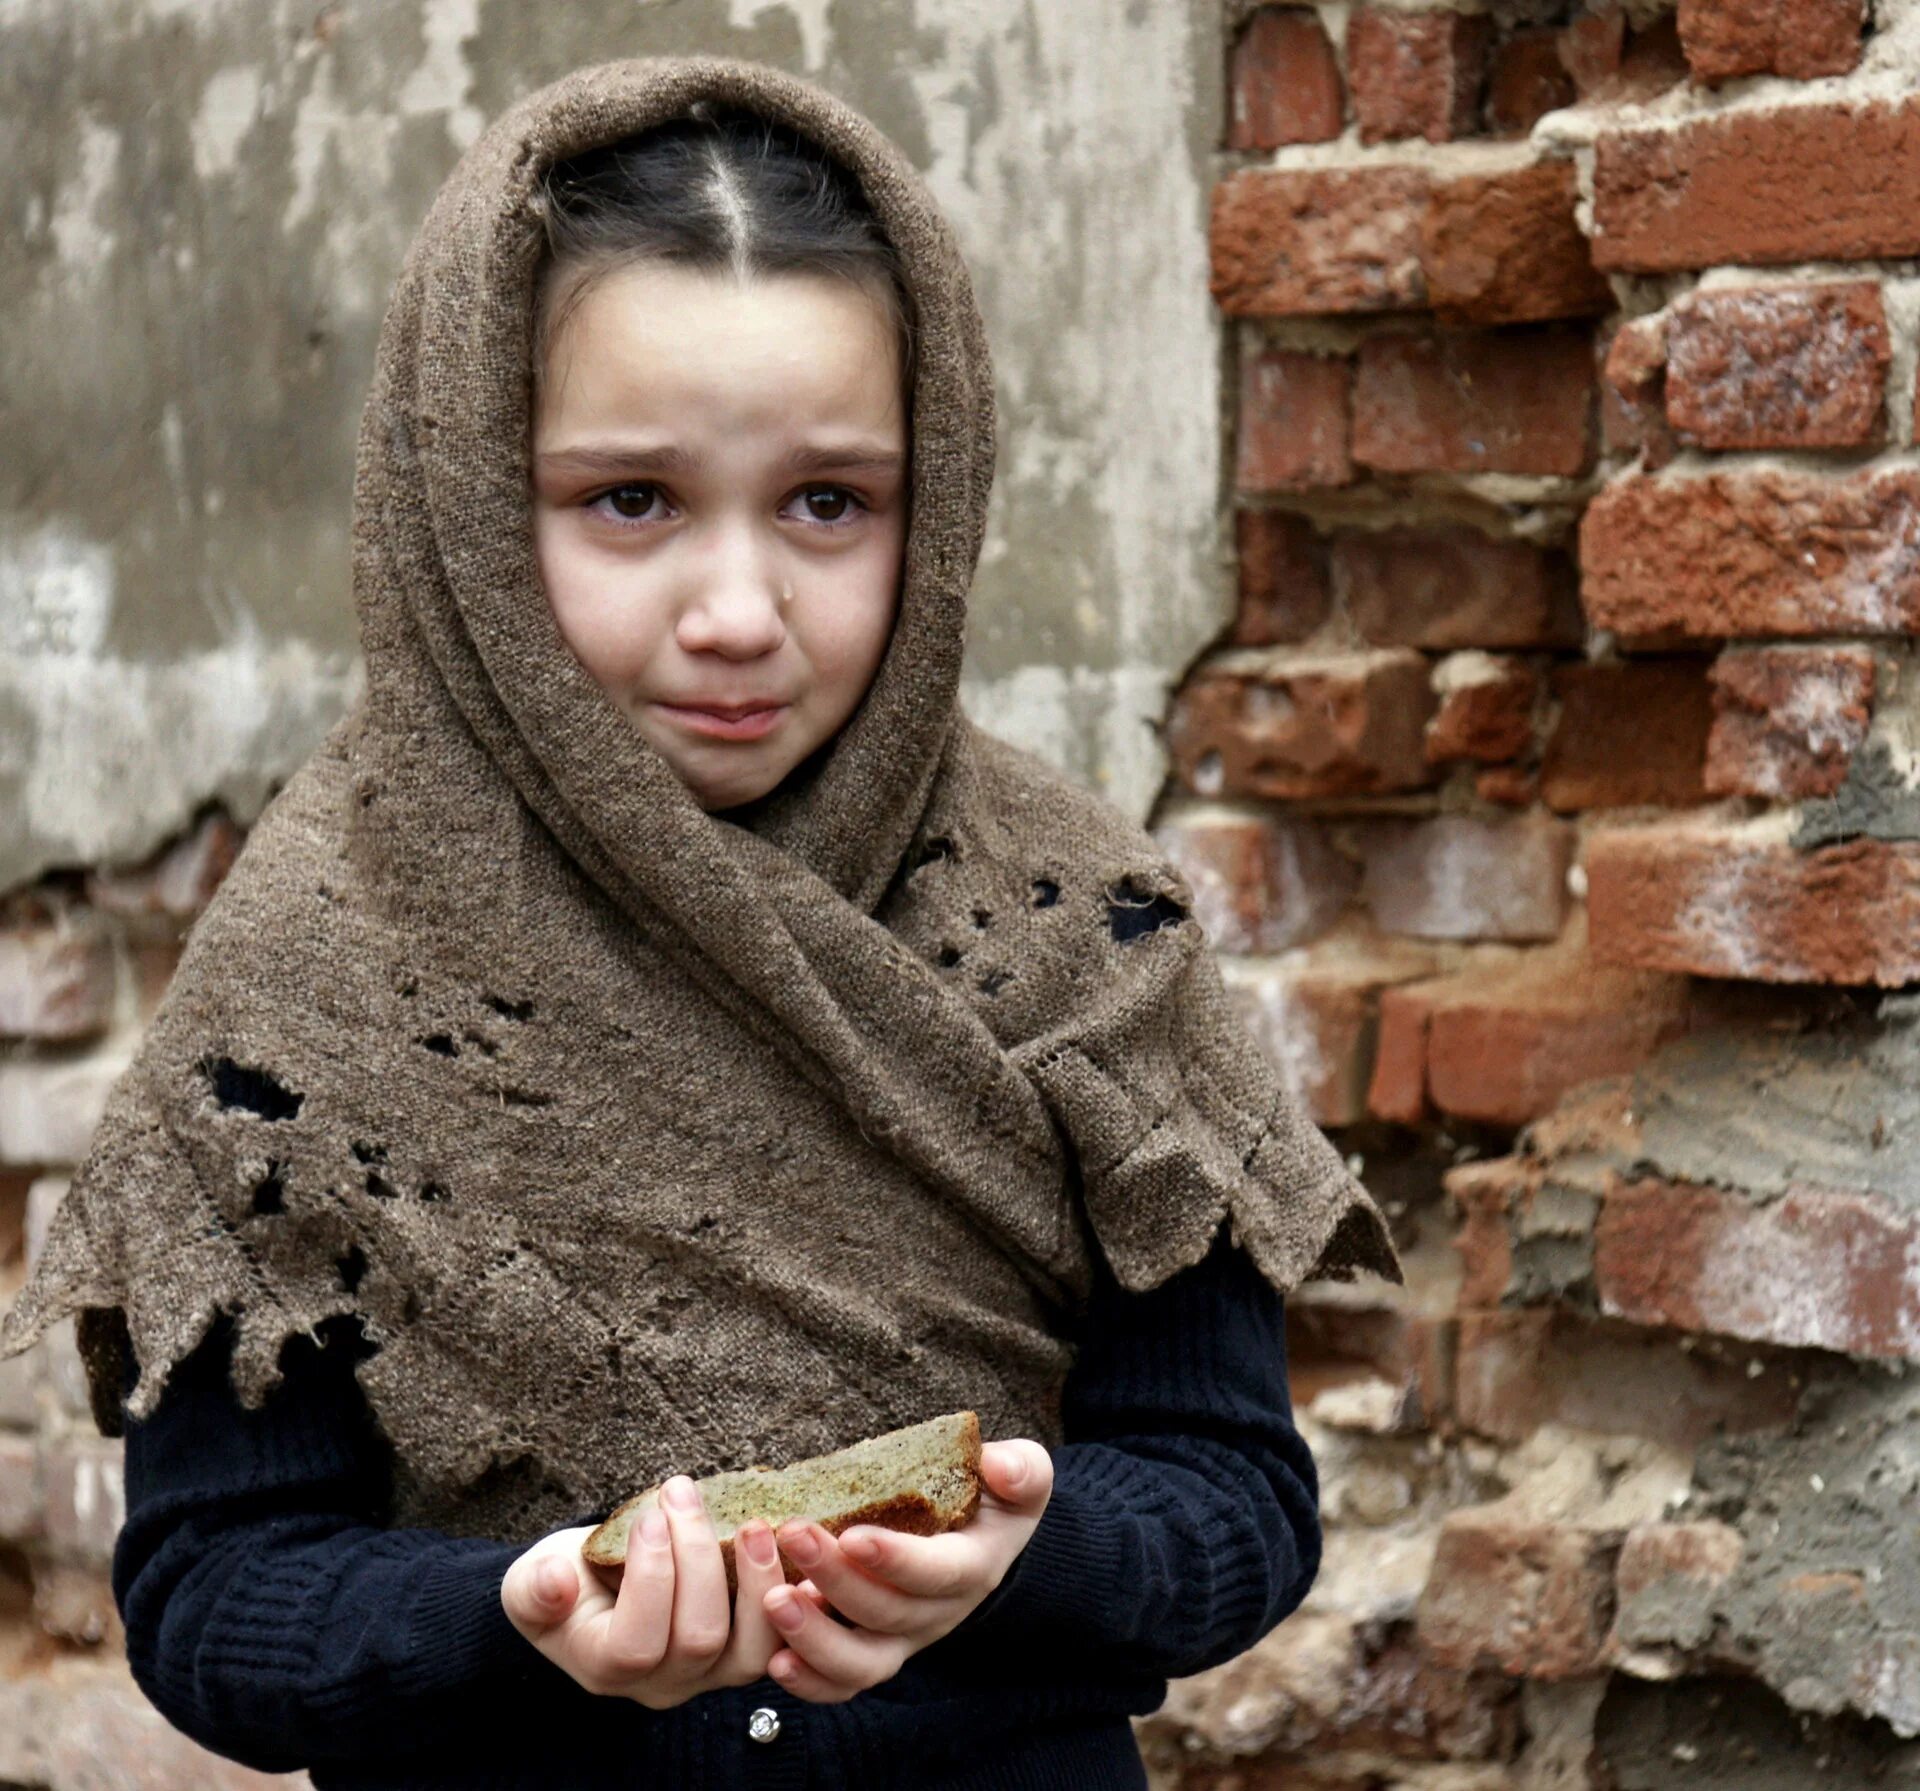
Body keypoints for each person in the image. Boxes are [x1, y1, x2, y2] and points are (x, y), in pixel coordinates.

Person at [0, 56, 1399, 1790]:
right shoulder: (308, 992)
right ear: (465, 507)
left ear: (936, 490)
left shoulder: (1080, 939)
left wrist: (1025, 1561)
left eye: (830, 502)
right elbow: (217, 1603)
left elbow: (1237, 1501)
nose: (739, 612)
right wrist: (507, 1623)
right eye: (630, 501)